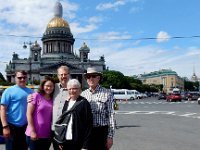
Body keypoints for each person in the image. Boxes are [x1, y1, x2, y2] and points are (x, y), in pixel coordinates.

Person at [27, 65, 70, 150]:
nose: (63, 76)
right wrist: (29, 97)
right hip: (50, 130)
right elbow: (29, 112)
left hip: (64, 130)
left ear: (69, 74)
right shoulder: (54, 87)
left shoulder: (74, 88)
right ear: (57, 75)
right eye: (61, 74)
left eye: (65, 74)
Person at [81, 67, 115, 150]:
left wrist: (110, 137)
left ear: (98, 78)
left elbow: (111, 115)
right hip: (87, 132)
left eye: (93, 76)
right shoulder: (83, 94)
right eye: (88, 77)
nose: (90, 78)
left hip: (101, 131)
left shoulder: (107, 93)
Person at [1, 70, 33, 150]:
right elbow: (2, 109)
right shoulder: (8, 91)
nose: (22, 79)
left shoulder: (31, 92)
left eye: (24, 77)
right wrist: (5, 126)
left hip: (25, 127)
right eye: (20, 78)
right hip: (12, 126)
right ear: (15, 78)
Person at [56, 79, 93, 150]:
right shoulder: (67, 102)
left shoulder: (84, 103)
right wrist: (61, 140)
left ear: (79, 89)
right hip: (66, 140)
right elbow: (63, 122)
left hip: (79, 141)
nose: (72, 91)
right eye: (69, 89)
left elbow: (89, 125)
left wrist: (85, 146)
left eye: (74, 88)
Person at [25, 77, 55, 150]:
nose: (49, 88)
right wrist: (32, 131)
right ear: (42, 86)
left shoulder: (53, 98)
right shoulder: (36, 96)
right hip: (34, 134)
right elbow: (28, 114)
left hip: (47, 135)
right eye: (47, 86)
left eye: (51, 86)